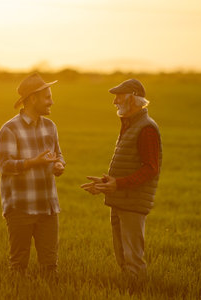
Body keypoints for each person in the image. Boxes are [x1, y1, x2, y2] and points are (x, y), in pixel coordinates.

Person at [81, 79, 162, 282]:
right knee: (123, 258)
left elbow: (151, 168)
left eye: (118, 96)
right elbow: (131, 165)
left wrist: (118, 184)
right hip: (120, 200)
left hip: (133, 203)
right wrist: (106, 182)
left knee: (133, 260)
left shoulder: (146, 128)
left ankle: (139, 291)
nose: (114, 101)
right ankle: (128, 289)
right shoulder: (130, 124)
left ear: (133, 98)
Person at [0, 73, 65, 277]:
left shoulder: (50, 127)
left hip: (48, 207)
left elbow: (58, 155)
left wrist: (59, 165)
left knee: (50, 268)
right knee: (18, 266)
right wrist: (34, 162)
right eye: (47, 97)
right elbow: (5, 166)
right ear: (33, 99)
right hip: (20, 208)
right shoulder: (9, 130)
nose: (51, 101)